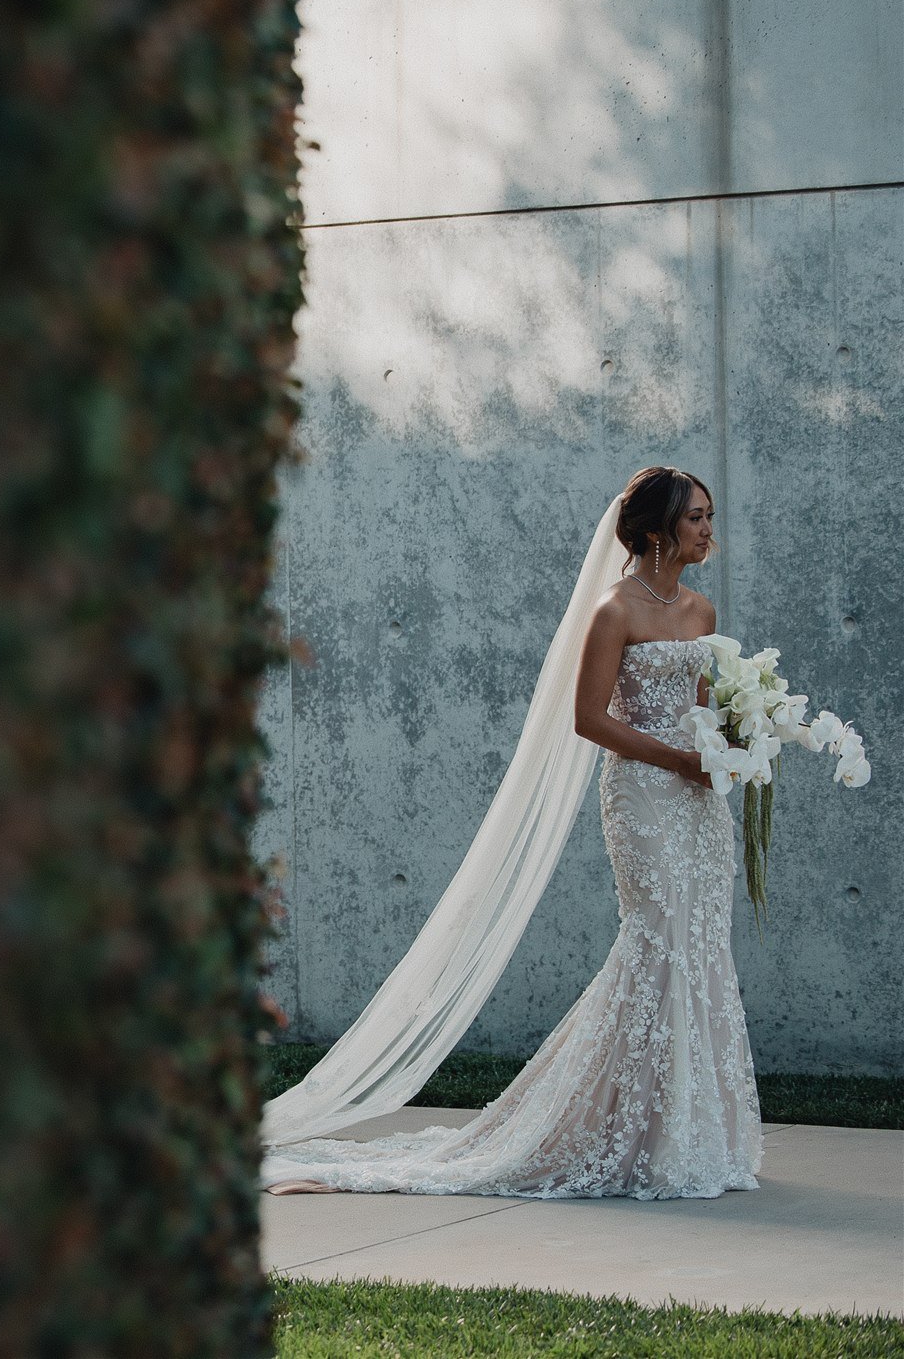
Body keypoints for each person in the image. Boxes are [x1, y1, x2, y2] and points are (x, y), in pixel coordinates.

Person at [261, 467, 763, 1198]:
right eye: (695, 518)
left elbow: (700, 709)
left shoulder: (702, 612)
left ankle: (684, 1135)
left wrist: (737, 745)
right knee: (656, 940)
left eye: (709, 516)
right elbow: (590, 718)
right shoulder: (613, 610)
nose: (708, 530)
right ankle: (603, 1130)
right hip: (643, 796)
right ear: (657, 530)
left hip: (696, 803)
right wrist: (676, 758)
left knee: (701, 946)